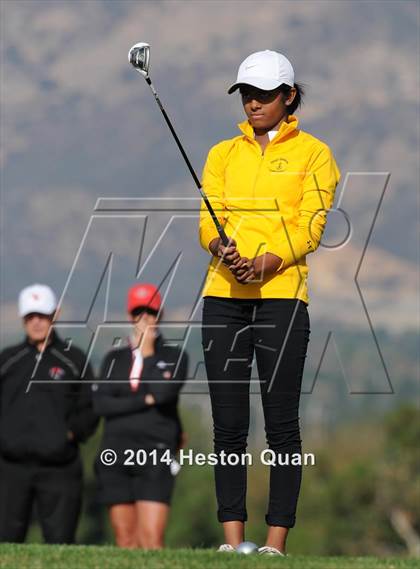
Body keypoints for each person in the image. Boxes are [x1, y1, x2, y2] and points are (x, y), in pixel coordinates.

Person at [199, 50, 341, 556]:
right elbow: (206, 221)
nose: (253, 103)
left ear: (289, 97)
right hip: (223, 295)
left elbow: (312, 226)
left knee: (281, 424)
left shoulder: (315, 154)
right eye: (246, 95)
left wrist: (269, 262)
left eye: (263, 95)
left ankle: (276, 544)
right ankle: (233, 542)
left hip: (282, 297)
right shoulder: (222, 154)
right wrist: (222, 248)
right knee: (228, 423)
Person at [0, 283, 98, 543]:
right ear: (23, 319)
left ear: (55, 314)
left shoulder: (73, 360)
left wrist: (70, 434)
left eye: (42, 315)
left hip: (60, 468)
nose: (36, 322)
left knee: (61, 543)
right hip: (10, 467)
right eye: (30, 316)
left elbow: (90, 406)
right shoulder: (7, 360)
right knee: (6, 543)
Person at [93, 283, 188, 549]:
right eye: (139, 313)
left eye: (150, 312)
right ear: (131, 316)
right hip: (116, 450)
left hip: (155, 451)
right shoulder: (114, 359)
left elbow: (164, 393)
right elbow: (101, 405)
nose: (145, 319)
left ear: (160, 315)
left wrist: (147, 354)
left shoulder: (174, 356)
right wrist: (144, 399)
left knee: (151, 539)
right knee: (125, 539)